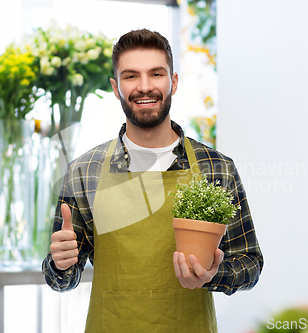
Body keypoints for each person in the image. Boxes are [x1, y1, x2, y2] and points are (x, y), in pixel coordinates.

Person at [42, 29, 263, 333]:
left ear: (172, 82)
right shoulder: (85, 171)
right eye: (131, 76)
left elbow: (250, 264)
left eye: (156, 74)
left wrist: (214, 274)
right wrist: (60, 264)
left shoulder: (217, 168)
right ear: (116, 87)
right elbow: (61, 280)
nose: (144, 87)